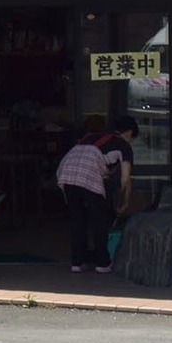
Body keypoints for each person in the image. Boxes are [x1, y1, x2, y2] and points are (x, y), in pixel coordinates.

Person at [55, 114, 136, 274]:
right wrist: (124, 203)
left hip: (67, 171)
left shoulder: (90, 136)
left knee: (77, 219)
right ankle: (102, 263)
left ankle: (77, 262)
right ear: (129, 133)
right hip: (88, 173)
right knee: (99, 220)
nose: (131, 141)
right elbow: (125, 179)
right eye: (132, 138)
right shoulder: (123, 145)